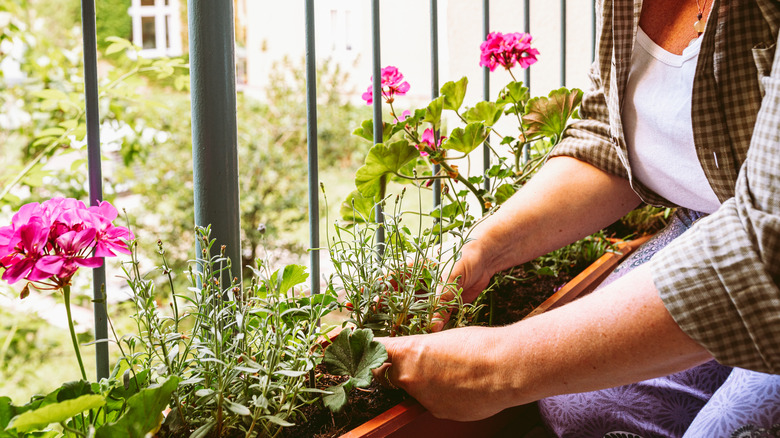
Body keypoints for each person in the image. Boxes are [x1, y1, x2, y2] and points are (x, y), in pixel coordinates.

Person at [373, 0, 780, 436]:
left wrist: (494, 368)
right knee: (578, 404)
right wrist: (482, 246)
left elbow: (764, 250)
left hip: (762, 246)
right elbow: (610, 137)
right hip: (709, 218)